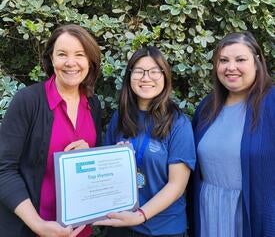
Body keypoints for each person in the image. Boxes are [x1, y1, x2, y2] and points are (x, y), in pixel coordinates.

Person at [0, 24, 102, 237]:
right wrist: (38, 225)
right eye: (62, 54)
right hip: (31, 230)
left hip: (80, 231)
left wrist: (91, 156)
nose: (70, 63)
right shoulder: (28, 101)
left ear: (90, 61)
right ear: (51, 59)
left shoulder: (93, 104)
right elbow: (4, 169)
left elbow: (92, 171)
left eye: (80, 55)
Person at [94, 46, 196, 237]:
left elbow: (177, 186)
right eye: (139, 71)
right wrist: (115, 159)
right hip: (121, 225)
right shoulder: (120, 117)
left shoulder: (178, 123)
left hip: (163, 229)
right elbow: (105, 175)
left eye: (154, 71)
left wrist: (140, 215)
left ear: (165, 77)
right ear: (129, 77)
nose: (146, 78)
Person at [188, 31, 274, 237]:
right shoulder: (207, 107)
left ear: (257, 62)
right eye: (223, 60)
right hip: (208, 212)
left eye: (240, 59)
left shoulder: (271, 103)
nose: (231, 67)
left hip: (253, 216)